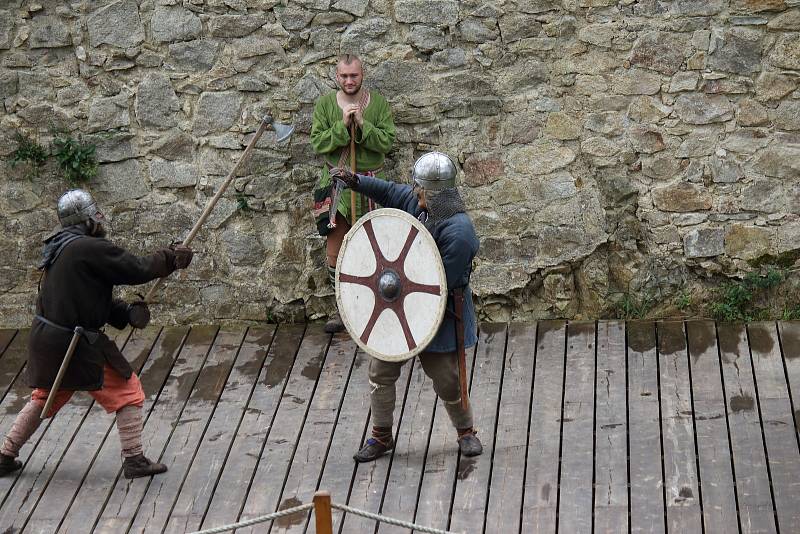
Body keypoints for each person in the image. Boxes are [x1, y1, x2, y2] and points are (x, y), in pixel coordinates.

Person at [0, 189, 193, 479]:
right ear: (88, 219)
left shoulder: (62, 247)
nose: (99, 219)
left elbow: (86, 298)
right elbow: (136, 268)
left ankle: (4, 455)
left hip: (50, 339)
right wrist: (170, 258)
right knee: (129, 392)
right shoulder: (87, 248)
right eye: (95, 214)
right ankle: (134, 460)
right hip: (74, 342)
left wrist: (124, 313)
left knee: (45, 397)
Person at [331, 152, 483, 462]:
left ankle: (465, 431)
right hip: (394, 306)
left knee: (447, 379)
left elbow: (436, 284)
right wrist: (355, 181)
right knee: (380, 372)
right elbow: (388, 191)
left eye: (421, 189)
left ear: (437, 193)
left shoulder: (460, 233)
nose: (415, 193)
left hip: (437, 312)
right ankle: (381, 436)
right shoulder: (418, 204)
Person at [310, 53, 396, 334]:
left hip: (370, 185)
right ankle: (343, 309)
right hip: (337, 186)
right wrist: (342, 127)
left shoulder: (379, 104)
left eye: (354, 75)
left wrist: (362, 125)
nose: (349, 81)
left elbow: (387, 142)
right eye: (344, 76)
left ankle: (374, 305)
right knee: (336, 251)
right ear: (337, 76)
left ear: (362, 74)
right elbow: (318, 143)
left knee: (375, 249)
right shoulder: (325, 105)